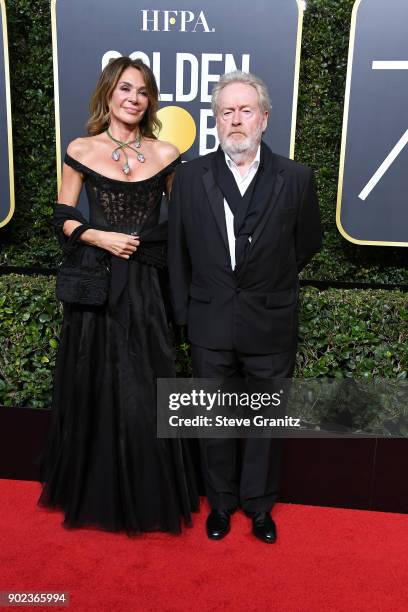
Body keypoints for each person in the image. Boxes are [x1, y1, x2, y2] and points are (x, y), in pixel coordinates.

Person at [39, 57, 198, 534]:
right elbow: (61, 215)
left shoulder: (167, 153)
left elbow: (180, 225)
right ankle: (96, 488)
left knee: (148, 384)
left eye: (143, 91)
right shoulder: (81, 148)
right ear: (108, 92)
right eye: (125, 88)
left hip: (148, 284)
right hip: (98, 280)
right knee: (98, 380)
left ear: (150, 101)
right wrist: (97, 236)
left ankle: (150, 489)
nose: (133, 98)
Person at [168, 70, 322, 543]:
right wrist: (184, 317)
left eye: (245, 111)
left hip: (271, 323)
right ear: (216, 121)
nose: (236, 120)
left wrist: (265, 283)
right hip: (209, 321)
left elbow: (307, 244)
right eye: (227, 112)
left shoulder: (295, 177)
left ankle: (259, 507)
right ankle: (221, 504)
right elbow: (178, 252)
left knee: (264, 423)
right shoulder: (191, 177)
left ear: (264, 119)